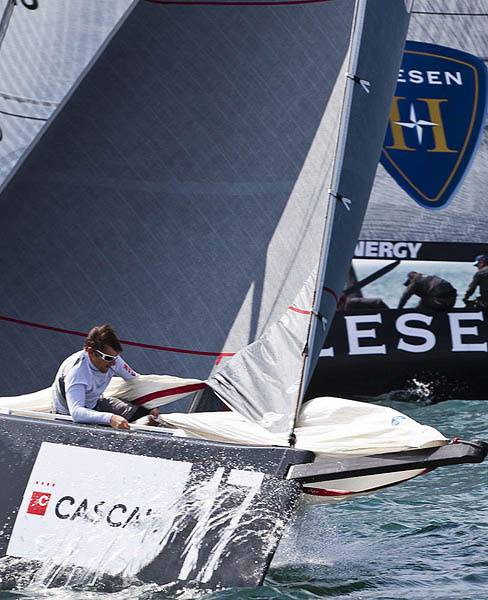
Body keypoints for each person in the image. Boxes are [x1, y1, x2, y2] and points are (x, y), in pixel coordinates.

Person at [52, 324, 159, 429]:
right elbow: (76, 412)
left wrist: (150, 405)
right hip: (67, 416)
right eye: (108, 358)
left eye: (116, 358)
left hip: (95, 403)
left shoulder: (113, 359)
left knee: (147, 416)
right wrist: (110, 418)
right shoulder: (76, 373)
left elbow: (135, 380)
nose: (113, 363)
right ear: (90, 352)